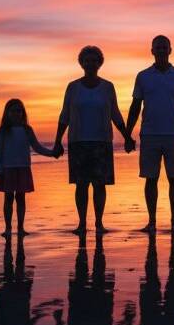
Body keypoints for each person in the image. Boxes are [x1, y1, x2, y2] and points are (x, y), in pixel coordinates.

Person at [54, 46, 133, 235]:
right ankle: (82, 224)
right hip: (78, 142)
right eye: (87, 61)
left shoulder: (107, 87)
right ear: (81, 63)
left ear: (99, 63)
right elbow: (64, 115)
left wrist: (127, 137)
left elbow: (115, 114)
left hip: (102, 142)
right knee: (81, 185)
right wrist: (57, 141)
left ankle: (99, 223)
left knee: (100, 185)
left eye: (94, 60)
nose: (90, 64)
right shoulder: (73, 87)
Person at [126, 35, 174, 234]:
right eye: (158, 48)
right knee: (150, 179)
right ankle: (152, 221)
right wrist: (128, 134)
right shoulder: (143, 76)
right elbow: (135, 106)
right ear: (152, 51)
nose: (162, 51)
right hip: (149, 134)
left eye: (165, 47)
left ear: (170, 50)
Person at [0, 98, 58, 236]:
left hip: (23, 167)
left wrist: (52, 153)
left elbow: (37, 147)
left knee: (21, 198)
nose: (16, 114)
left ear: (23, 113)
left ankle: (21, 228)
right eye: (13, 111)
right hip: (8, 168)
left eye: (19, 111)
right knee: (8, 198)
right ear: (7, 113)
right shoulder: (3, 130)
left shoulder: (27, 129)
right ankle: (8, 228)